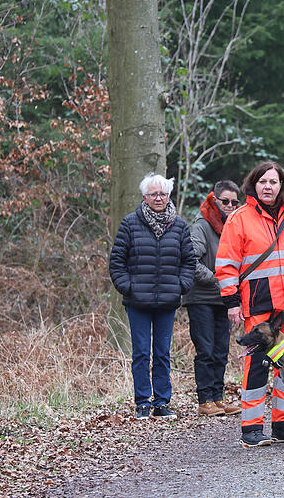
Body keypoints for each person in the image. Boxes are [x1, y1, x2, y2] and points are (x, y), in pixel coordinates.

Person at [215, 161, 284, 447]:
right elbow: (226, 265)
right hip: (259, 303)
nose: (268, 186)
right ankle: (251, 428)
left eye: (273, 182)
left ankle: (283, 422)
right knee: (256, 366)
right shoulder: (239, 218)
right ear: (254, 184)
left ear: (281, 185)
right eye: (263, 181)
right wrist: (231, 301)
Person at [109, 173, 196, 420]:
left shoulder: (179, 225)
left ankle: (161, 402)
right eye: (154, 194)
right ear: (145, 197)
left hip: (168, 300)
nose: (159, 198)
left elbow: (189, 261)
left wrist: (182, 285)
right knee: (141, 353)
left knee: (162, 353)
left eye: (163, 194)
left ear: (169, 196)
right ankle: (142, 402)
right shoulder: (129, 223)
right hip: (138, 302)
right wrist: (128, 287)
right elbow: (117, 262)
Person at [184, 180, 242, 417]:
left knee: (220, 350)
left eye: (234, 202)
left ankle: (217, 398)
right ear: (215, 200)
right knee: (205, 349)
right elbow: (190, 261)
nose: (229, 206)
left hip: (223, 299)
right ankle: (204, 399)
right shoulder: (202, 226)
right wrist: (219, 280)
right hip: (201, 297)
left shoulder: (234, 226)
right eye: (225, 201)